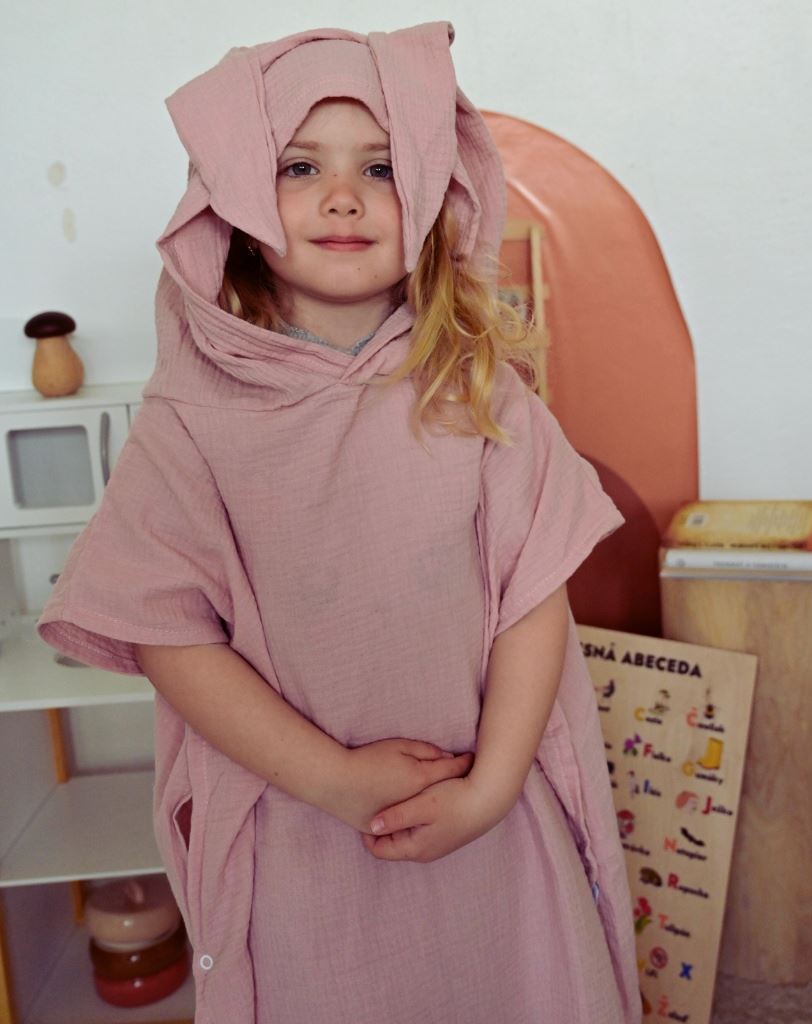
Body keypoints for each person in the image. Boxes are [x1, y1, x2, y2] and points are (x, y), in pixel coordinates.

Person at [37, 22, 640, 1024]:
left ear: (432, 193)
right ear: (235, 201)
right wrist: (336, 781)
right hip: (304, 825)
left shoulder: (477, 388)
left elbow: (534, 598)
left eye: (381, 167)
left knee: (513, 984)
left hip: (486, 808)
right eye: (300, 166)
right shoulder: (194, 419)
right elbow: (169, 636)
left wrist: (492, 787)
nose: (344, 196)